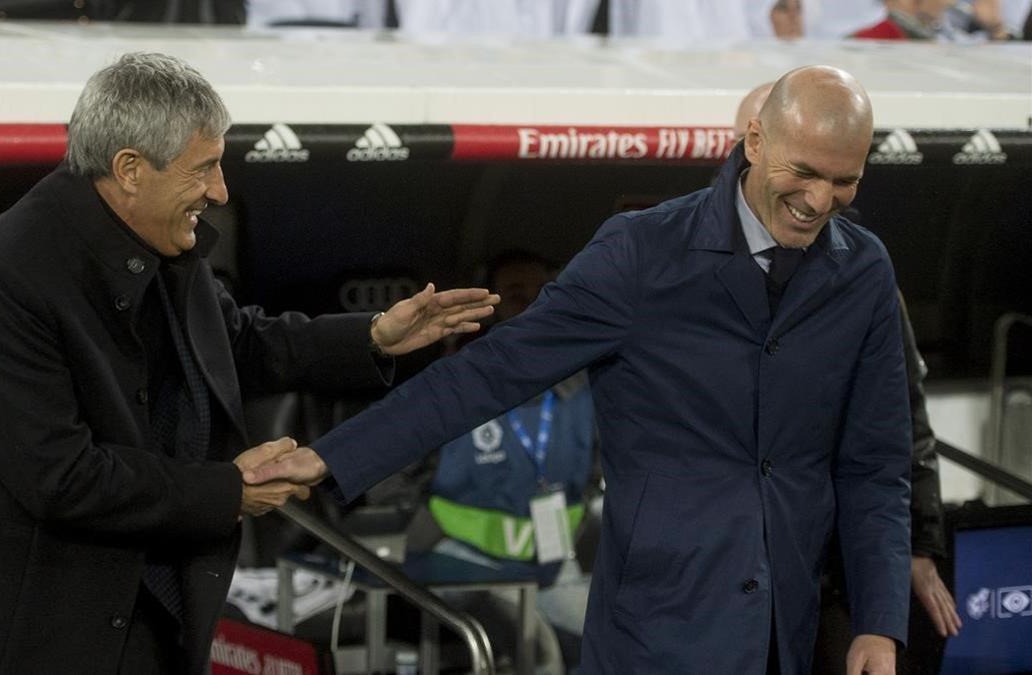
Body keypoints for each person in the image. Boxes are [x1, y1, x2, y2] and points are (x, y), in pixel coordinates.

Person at [248, 65, 913, 674]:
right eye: (805, 172)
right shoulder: (640, 254)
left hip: (787, 636)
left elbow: (876, 464)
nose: (821, 201)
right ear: (755, 140)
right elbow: (490, 372)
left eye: (845, 181)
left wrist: (879, 623)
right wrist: (331, 457)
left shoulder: (866, 269)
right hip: (654, 634)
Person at [0, 52, 497, 674]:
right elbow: (60, 478)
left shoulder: (163, 247)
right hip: (1, 642)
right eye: (204, 169)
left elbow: (238, 344)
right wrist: (230, 490)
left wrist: (375, 336)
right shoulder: (5, 275)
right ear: (131, 168)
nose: (220, 191)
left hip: (125, 622)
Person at [732, 79, 961, 673]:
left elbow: (902, 424)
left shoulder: (862, 274)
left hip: (832, 562)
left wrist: (915, 544)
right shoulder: (685, 260)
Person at [413, 250, 598, 673]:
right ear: (490, 303)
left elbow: (600, 466)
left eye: (541, 294)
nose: (531, 304)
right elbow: (400, 468)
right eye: (516, 294)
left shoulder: (584, 382)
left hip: (553, 566)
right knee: (540, 653)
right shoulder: (456, 379)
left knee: (633, 636)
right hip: (464, 565)